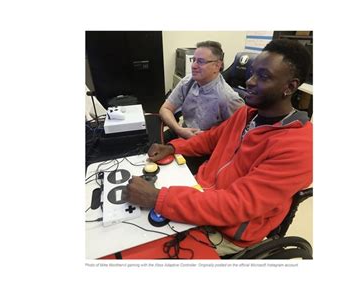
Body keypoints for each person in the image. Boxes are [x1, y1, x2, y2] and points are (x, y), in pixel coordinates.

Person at [125, 39, 312, 256]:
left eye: (263, 76)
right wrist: (175, 148)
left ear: (289, 87)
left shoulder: (300, 146)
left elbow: (236, 205)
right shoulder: (247, 113)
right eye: (252, 73)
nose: (249, 82)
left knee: (141, 252)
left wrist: (158, 199)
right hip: (201, 192)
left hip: (228, 229)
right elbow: (211, 138)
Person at [160, 40, 244, 141]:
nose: (193, 66)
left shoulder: (228, 98)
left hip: (204, 143)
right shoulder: (188, 81)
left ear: (217, 66)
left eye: (200, 61)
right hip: (182, 131)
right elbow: (165, 109)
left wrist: (207, 137)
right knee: (149, 145)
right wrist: (179, 129)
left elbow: (237, 134)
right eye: (194, 60)